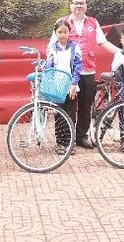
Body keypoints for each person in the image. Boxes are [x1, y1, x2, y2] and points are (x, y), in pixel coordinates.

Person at [49, 0, 119, 149]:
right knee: (66, 106)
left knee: (86, 106)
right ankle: (65, 140)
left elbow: (103, 42)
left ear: (86, 5)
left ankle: (81, 136)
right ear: (70, 5)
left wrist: (120, 53)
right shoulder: (62, 23)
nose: (78, 6)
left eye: (81, 3)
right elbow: (51, 46)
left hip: (87, 71)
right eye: (75, 3)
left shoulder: (93, 23)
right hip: (67, 73)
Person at [45, 19, 83, 155]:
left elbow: (78, 67)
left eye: (65, 32)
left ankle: (70, 142)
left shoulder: (74, 47)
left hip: (71, 87)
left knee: (71, 115)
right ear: (55, 33)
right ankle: (61, 143)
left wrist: (74, 84)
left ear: (69, 33)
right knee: (59, 115)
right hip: (57, 88)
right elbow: (49, 69)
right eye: (59, 32)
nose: (62, 35)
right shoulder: (52, 49)